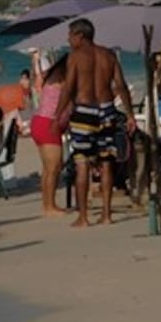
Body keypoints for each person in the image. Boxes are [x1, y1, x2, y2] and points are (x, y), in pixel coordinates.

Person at [55, 17, 137, 227]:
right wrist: (130, 114)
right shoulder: (108, 55)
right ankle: (107, 215)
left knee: (82, 162)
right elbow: (121, 85)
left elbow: (68, 88)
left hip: (84, 110)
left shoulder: (75, 56)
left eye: (70, 35)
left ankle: (83, 217)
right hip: (107, 110)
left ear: (80, 36)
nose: (68, 39)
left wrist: (57, 116)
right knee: (106, 161)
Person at [30, 55, 71, 217]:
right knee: (54, 167)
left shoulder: (53, 77)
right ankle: (50, 206)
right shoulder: (63, 79)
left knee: (48, 169)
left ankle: (47, 205)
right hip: (48, 123)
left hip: (41, 121)